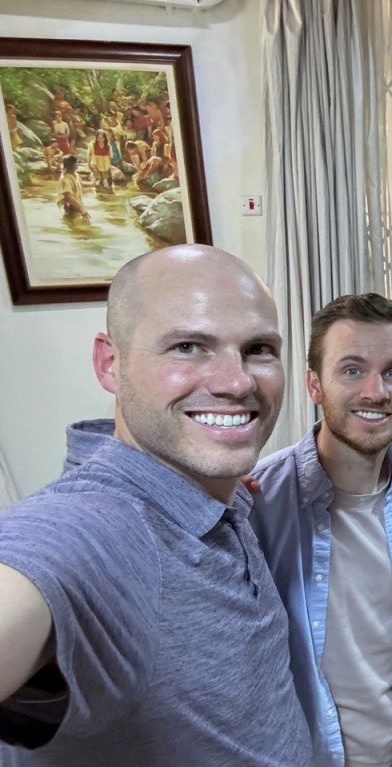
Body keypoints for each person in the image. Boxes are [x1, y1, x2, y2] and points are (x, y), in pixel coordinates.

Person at [0, 245, 313, 765]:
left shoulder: (210, 484)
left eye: (258, 348)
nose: (237, 382)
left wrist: (227, 487)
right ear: (110, 363)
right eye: (188, 346)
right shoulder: (99, 528)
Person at [249, 293, 392, 767]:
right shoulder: (259, 501)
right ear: (314, 383)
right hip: (310, 753)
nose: (376, 391)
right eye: (352, 370)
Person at [56, 154, 89, 222]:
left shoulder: (75, 174)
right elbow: (69, 197)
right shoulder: (65, 179)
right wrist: (83, 211)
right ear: (72, 165)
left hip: (78, 206)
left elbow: (79, 184)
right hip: (71, 208)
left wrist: (93, 184)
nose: (78, 164)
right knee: (73, 224)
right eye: (76, 162)